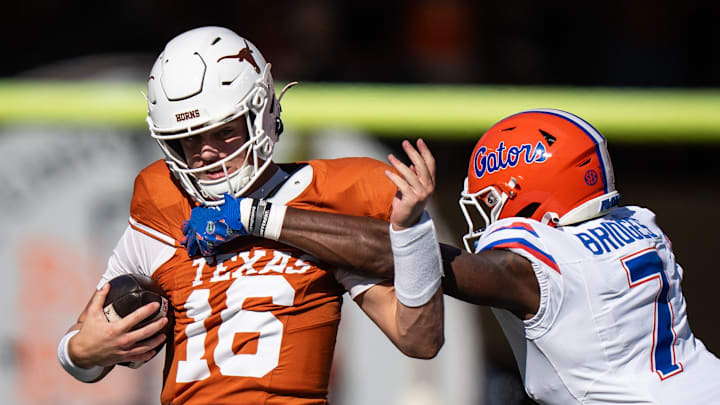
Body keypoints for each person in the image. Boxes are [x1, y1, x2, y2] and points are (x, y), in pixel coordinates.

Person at [56, 26, 444, 405]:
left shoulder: (319, 203)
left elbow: (419, 340)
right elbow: (85, 346)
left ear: (260, 114)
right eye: (188, 138)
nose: (206, 152)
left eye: (222, 131)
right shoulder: (164, 204)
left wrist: (413, 230)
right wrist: (80, 352)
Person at [403, 109, 720, 403]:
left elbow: (458, 269)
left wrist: (405, 232)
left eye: (489, 202)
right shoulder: (641, 225)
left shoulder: (544, 258)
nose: (488, 215)